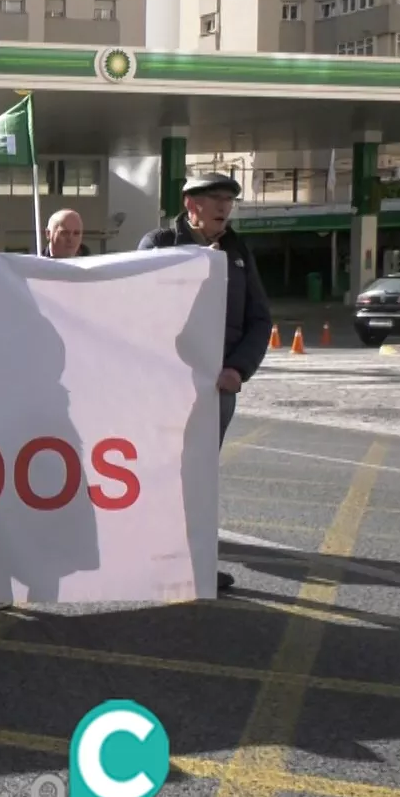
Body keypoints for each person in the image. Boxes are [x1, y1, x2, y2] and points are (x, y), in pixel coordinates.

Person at [138, 171, 272, 592]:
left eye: (230, 200)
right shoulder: (158, 244)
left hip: (217, 388)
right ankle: (146, 555)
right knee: (159, 473)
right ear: (190, 203)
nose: (224, 207)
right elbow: (136, 311)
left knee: (198, 477)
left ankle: (195, 563)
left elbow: (259, 318)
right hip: (166, 387)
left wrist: (238, 369)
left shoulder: (236, 249)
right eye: (215, 198)